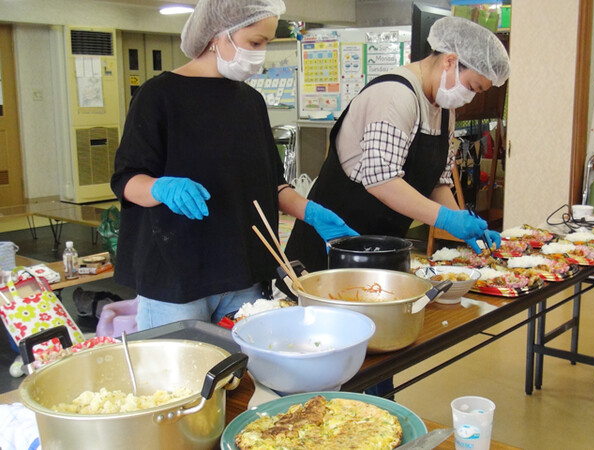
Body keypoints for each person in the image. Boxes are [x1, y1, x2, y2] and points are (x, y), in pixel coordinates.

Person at [110, 0, 357, 331]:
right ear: (216, 35)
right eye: (255, 43)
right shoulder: (158, 96)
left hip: (243, 272)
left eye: (266, 44)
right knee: (180, 380)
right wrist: (160, 187)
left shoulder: (250, 101)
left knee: (246, 376)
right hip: (176, 276)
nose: (260, 55)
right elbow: (126, 179)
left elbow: (273, 184)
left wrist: (312, 213)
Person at [285, 16, 510, 273]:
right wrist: (446, 219)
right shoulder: (395, 95)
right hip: (333, 244)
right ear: (450, 61)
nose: (469, 98)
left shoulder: (444, 110)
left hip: (385, 244)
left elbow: (438, 181)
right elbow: (382, 181)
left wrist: (464, 227)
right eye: (472, 86)